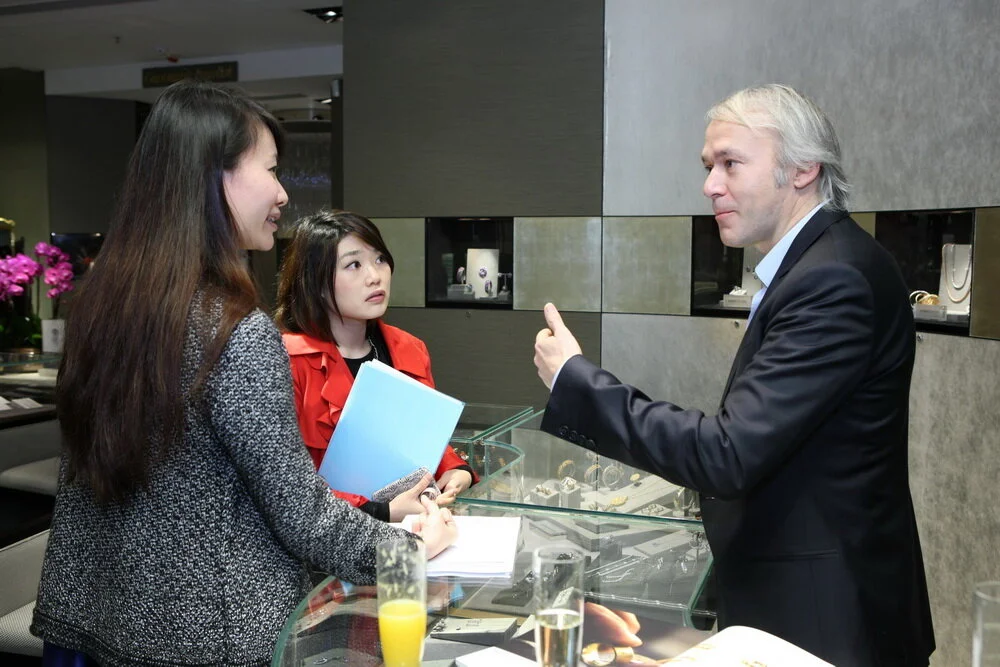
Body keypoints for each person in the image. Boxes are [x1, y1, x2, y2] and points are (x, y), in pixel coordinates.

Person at [30, 80, 456, 667]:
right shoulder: (233, 331)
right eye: (271, 169)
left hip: (103, 620)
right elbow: (301, 515)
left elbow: (180, 480)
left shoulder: (100, 306)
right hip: (213, 636)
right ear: (214, 176)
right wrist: (408, 549)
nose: (282, 193)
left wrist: (380, 506)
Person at [532, 84, 934, 666]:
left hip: (825, 618)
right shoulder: (818, 264)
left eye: (730, 163)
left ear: (802, 169)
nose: (710, 185)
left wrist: (575, 381)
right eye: (708, 166)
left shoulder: (833, 279)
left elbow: (729, 452)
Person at [274, 210, 477, 522]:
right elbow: (284, 486)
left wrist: (455, 469)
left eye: (380, 259)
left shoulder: (409, 349)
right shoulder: (288, 360)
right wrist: (382, 512)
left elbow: (421, 439)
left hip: (410, 527)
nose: (375, 276)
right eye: (354, 265)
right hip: (327, 538)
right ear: (316, 280)